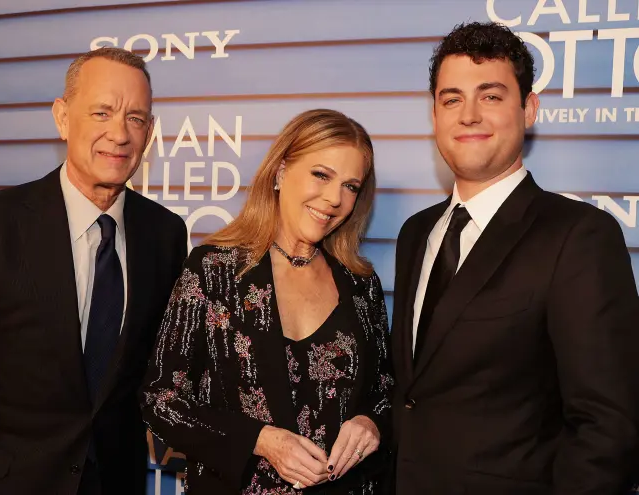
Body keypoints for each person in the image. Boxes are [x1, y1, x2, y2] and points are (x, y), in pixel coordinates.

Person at [0, 47, 187, 495]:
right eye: (101, 112)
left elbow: (165, 373)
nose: (119, 134)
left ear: (150, 131)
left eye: (136, 118)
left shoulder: (166, 234)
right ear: (62, 118)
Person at [390, 21, 639, 495]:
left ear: (528, 109)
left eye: (490, 96)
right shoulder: (415, 233)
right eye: (452, 100)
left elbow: (608, 429)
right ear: (435, 115)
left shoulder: (578, 236)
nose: (469, 115)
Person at [140, 109, 394, 494]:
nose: (334, 198)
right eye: (321, 175)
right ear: (280, 171)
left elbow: (387, 390)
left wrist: (371, 423)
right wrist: (260, 440)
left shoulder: (362, 285)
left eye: (350, 186)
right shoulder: (214, 270)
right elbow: (161, 400)